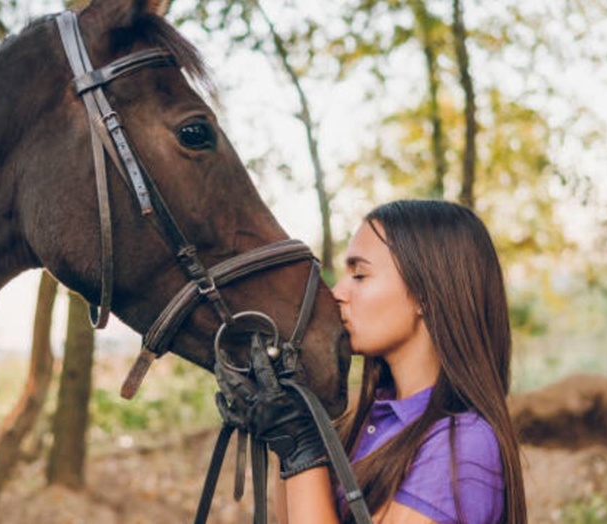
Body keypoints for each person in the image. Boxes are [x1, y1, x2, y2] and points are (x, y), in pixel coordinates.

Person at [215, 199, 527, 524]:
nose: (337, 292)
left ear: (426, 295)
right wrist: (284, 422)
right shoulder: (365, 424)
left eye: (360, 275)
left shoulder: (461, 443)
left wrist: (301, 449)